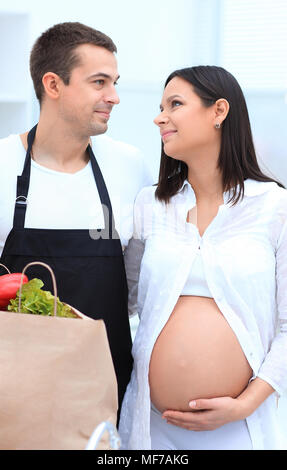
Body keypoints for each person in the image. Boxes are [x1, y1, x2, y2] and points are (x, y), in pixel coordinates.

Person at [119, 65, 287, 450]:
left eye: (175, 104)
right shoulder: (150, 204)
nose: (159, 117)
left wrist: (246, 403)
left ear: (219, 112)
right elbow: (122, 300)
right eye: (161, 106)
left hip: (237, 431)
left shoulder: (275, 207)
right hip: (150, 430)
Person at [0, 22, 152, 415]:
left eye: (115, 82)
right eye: (99, 82)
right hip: (14, 397)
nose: (114, 97)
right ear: (53, 85)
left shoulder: (130, 167)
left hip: (106, 396)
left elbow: (139, 283)